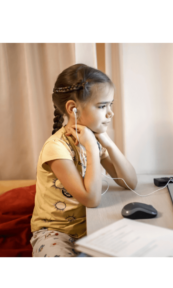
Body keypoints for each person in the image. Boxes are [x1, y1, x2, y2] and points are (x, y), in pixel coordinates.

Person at [30, 64, 137, 257]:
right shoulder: (56, 148)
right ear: (73, 109)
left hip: (92, 226)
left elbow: (130, 183)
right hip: (56, 233)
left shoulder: (93, 141)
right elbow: (91, 199)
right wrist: (90, 147)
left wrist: (107, 142)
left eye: (110, 104)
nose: (110, 113)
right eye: (102, 106)